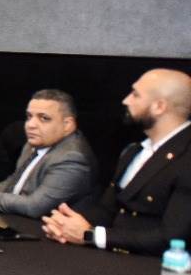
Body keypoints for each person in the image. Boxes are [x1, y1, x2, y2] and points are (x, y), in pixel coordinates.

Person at [44, 69, 191, 255]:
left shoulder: (186, 158)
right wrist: (65, 224)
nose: (126, 100)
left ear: (159, 106)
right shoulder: (134, 151)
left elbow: (172, 238)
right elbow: (108, 210)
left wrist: (91, 235)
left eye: (135, 94)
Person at [0, 89, 96, 218]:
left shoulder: (72, 158)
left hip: (42, 227)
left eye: (44, 118)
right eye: (29, 116)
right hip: (16, 219)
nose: (31, 125)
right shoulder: (35, 143)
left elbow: (35, 207)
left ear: (67, 124)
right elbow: (14, 181)